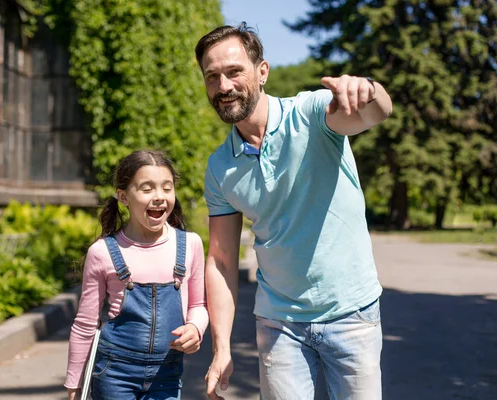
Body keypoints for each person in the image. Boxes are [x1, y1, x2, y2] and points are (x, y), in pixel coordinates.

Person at [195, 23, 393, 400]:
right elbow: (221, 260)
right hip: (278, 324)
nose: (223, 86)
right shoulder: (220, 167)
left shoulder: (311, 112)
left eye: (234, 71)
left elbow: (374, 114)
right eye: (212, 77)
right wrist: (221, 348)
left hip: (351, 313)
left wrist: (366, 88)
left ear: (262, 72)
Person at [64, 150, 209, 400]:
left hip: (167, 373)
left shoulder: (190, 245)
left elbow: (198, 305)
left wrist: (196, 328)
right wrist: (75, 385)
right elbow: (85, 324)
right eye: (147, 189)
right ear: (123, 197)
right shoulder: (102, 252)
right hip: (114, 373)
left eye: (167, 188)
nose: (159, 197)